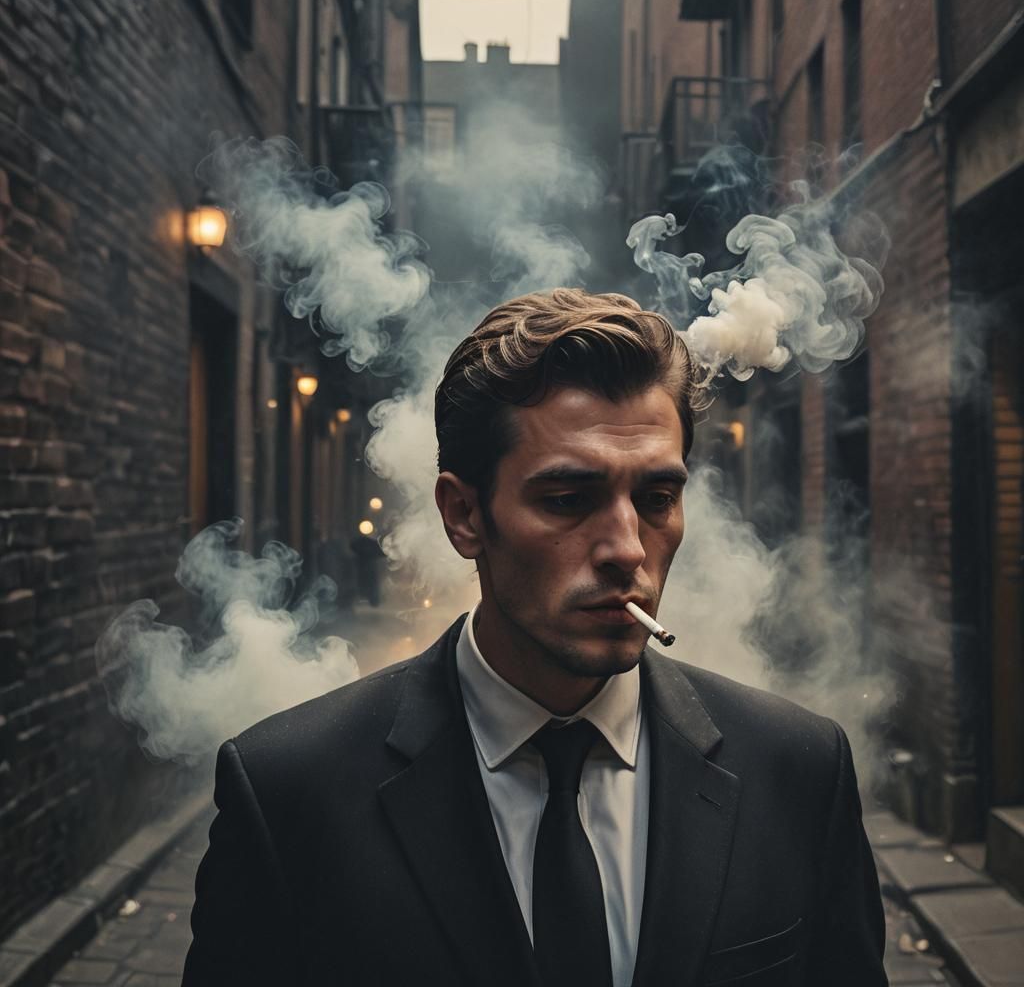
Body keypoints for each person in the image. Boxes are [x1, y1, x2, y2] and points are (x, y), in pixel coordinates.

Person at [183, 289, 887, 986]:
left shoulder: (797, 770)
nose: (627, 550)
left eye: (656, 499)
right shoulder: (289, 791)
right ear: (464, 515)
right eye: (568, 500)